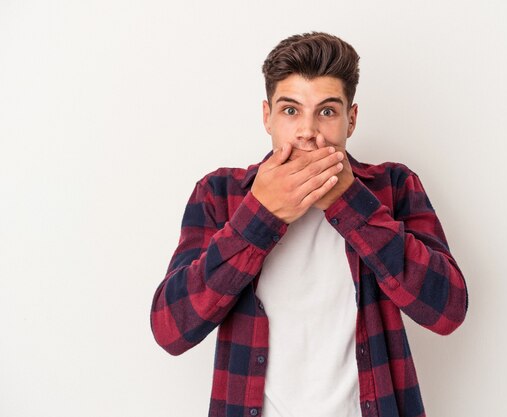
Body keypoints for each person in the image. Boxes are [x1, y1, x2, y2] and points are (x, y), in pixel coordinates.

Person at [150, 32, 468, 417]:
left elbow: (448, 310)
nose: (308, 132)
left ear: (351, 120)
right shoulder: (220, 194)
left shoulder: (394, 187)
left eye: (327, 111)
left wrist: (348, 203)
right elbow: (171, 329)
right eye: (290, 111)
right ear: (267, 116)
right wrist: (261, 215)